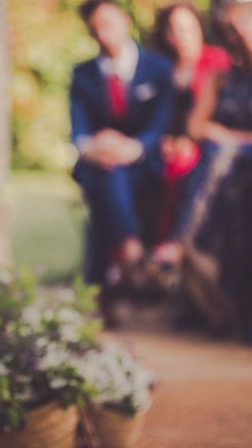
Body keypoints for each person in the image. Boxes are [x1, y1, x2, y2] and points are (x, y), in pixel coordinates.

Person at [171, 0, 252, 336]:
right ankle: (193, 247)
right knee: (217, 157)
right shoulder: (221, 76)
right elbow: (196, 126)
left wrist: (234, 138)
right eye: (228, 30)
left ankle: (187, 241)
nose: (235, 35)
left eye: (241, 27)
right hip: (226, 175)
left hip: (251, 170)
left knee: (222, 156)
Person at [70, 0, 173, 285]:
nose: (104, 34)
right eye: (96, 28)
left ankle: (103, 277)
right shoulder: (82, 74)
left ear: (125, 21)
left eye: (109, 24)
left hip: (145, 164)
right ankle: (130, 249)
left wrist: (132, 148)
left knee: (109, 180)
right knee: (107, 173)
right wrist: (96, 148)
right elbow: (78, 132)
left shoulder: (158, 68)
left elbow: (160, 124)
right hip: (100, 162)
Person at [150, 1, 230, 252]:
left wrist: (191, 141)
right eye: (174, 30)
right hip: (164, 145)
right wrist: (163, 141)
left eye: (187, 28)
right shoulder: (161, 68)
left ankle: (174, 246)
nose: (181, 36)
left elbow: (225, 114)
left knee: (182, 167)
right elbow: (153, 116)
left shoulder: (217, 63)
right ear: (166, 35)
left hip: (203, 143)